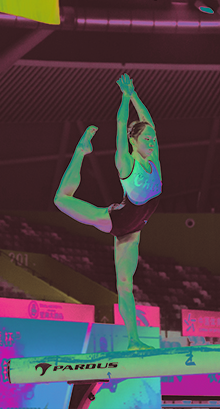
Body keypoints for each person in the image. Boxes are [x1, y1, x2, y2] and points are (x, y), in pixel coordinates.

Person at [54, 74, 161, 351]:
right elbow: (121, 124)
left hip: (134, 229)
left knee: (125, 284)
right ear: (133, 141)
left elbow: (147, 120)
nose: (152, 141)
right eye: (147, 138)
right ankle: (81, 151)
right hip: (115, 220)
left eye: (153, 138)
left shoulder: (154, 158)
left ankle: (134, 340)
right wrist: (124, 98)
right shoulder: (125, 162)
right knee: (61, 200)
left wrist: (135, 95)